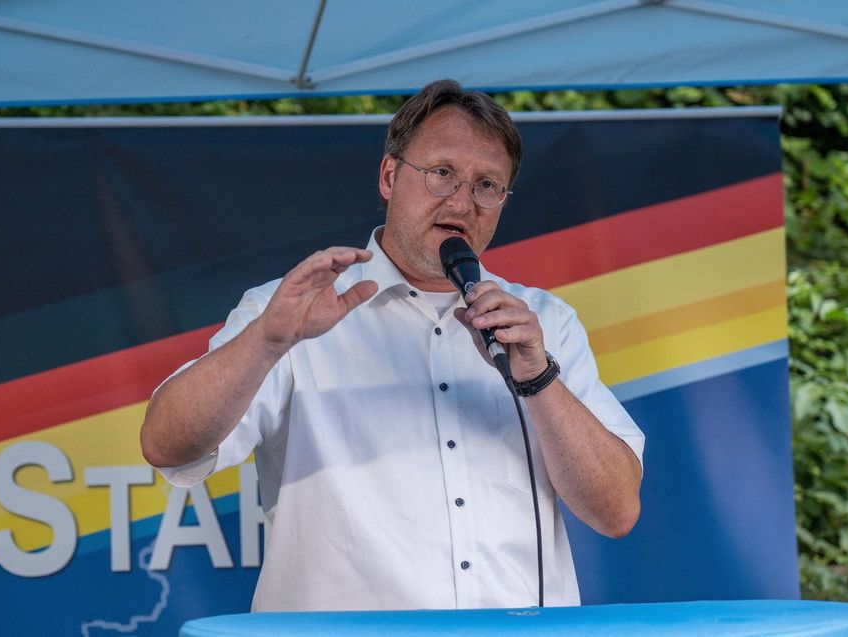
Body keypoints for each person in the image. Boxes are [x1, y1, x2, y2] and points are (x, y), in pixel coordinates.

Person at [140, 79, 644, 612]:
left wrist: (539, 381)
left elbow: (615, 512)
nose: (462, 201)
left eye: (487, 185)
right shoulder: (291, 311)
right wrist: (265, 342)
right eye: (442, 173)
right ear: (389, 175)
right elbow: (166, 445)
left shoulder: (543, 323)